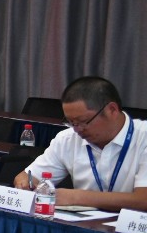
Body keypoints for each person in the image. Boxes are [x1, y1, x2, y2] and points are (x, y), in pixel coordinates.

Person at [15, 76, 147, 210]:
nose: (77, 130)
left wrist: (77, 197)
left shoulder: (143, 137)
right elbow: (28, 176)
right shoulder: (67, 139)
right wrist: (25, 183)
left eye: (83, 121)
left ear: (112, 110)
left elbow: (143, 200)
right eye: (71, 122)